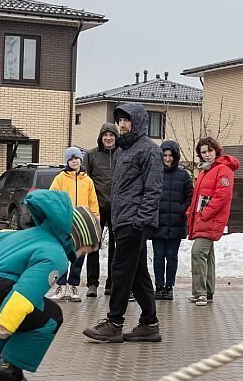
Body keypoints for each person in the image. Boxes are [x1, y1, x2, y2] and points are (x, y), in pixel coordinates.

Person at [0, 191, 100, 381]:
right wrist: (5, 326)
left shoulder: (18, 233)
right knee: (51, 315)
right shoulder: (55, 254)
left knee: (20, 307)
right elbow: (25, 293)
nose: (82, 255)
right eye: (86, 250)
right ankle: (10, 367)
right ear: (78, 237)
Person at [82, 102, 163, 343]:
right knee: (137, 273)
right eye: (120, 121)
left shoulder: (149, 150)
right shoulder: (121, 151)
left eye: (127, 120)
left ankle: (114, 322)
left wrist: (141, 219)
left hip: (134, 221)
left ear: (138, 122)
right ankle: (149, 323)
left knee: (120, 271)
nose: (123, 125)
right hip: (121, 219)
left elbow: (154, 188)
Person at [186, 137, 238, 306]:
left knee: (198, 252)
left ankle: (200, 293)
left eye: (209, 151)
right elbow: (198, 197)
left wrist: (205, 213)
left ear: (216, 150)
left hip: (210, 219)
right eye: (203, 152)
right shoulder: (204, 171)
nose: (207, 154)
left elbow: (222, 196)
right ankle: (207, 291)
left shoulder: (223, 170)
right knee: (207, 256)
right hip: (203, 218)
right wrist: (191, 212)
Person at [48, 146, 99, 302]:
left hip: (82, 225)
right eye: (70, 158)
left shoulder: (88, 180)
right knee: (63, 255)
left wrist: (95, 220)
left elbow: (93, 203)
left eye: (76, 158)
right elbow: (52, 199)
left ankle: (73, 286)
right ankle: (61, 286)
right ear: (67, 161)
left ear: (80, 159)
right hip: (64, 224)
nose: (74, 161)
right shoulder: (60, 179)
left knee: (78, 257)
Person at [152, 140, 192, 301]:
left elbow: (190, 195)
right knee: (158, 256)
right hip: (158, 222)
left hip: (176, 222)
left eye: (170, 156)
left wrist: (182, 210)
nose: (167, 159)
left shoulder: (183, 175)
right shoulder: (154, 173)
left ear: (175, 157)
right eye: (165, 155)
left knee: (172, 256)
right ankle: (159, 285)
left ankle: (169, 286)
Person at [82, 123, 118, 298]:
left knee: (115, 247)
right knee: (93, 245)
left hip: (117, 208)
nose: (108, 138)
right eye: (105, 135)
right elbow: (84, 180)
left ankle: (111, 283)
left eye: (112, 135)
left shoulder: (121, 154)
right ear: (101, 137)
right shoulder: (91, 155)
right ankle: (92, 283)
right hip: (96, 208)